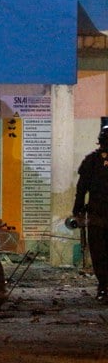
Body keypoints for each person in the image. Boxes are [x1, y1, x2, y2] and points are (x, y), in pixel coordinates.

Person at [73, 126, 108, 302]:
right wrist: (78, 209)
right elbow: (81, 188)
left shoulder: (91, 160)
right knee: (98, 252)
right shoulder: (91, 161)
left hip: (97, 216)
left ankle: (104, 287)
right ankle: (104, 286)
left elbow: (81, 189)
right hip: (97, 215)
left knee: (99, 252)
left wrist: (77, 209)